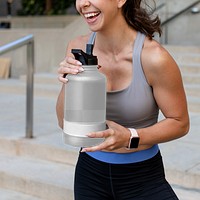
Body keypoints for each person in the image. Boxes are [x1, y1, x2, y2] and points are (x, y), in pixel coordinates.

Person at [56, 0, 190, 199]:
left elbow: (180, 123)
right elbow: (63, 122)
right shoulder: (78, 47)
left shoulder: (154, 57)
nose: (83, 3)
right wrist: (70, 82)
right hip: (90, 174)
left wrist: (130, 136)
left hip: (143, 177)